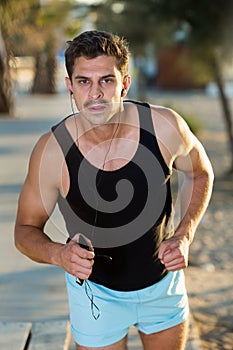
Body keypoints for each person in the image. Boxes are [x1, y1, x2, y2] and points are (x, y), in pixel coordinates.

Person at [14, 30, 214, 350]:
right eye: (84, 81)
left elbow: (201, 174)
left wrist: (184, 234)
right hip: (95, 294)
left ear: (124, 84)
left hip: (162, 286)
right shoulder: (52, 151)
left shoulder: (163, 126)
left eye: (106, 80)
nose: (96, 93)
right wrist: (58, 254)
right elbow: (24, 230)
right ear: (70, 87)